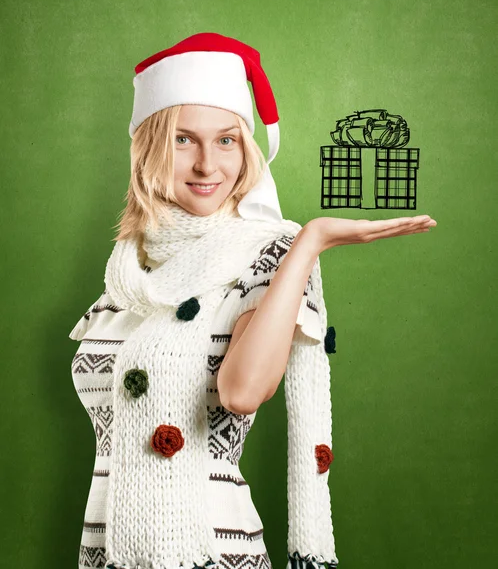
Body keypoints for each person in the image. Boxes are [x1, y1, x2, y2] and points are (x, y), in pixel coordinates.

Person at [69, 32, 437, 569]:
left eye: (226, 140)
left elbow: (243, 391)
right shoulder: (129, 271)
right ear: (148, 147)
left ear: (247, 147)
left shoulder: (267, 255)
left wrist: (308, 243)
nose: (207, 165)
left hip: (209, 551)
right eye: (182, 140)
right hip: (109, 551)